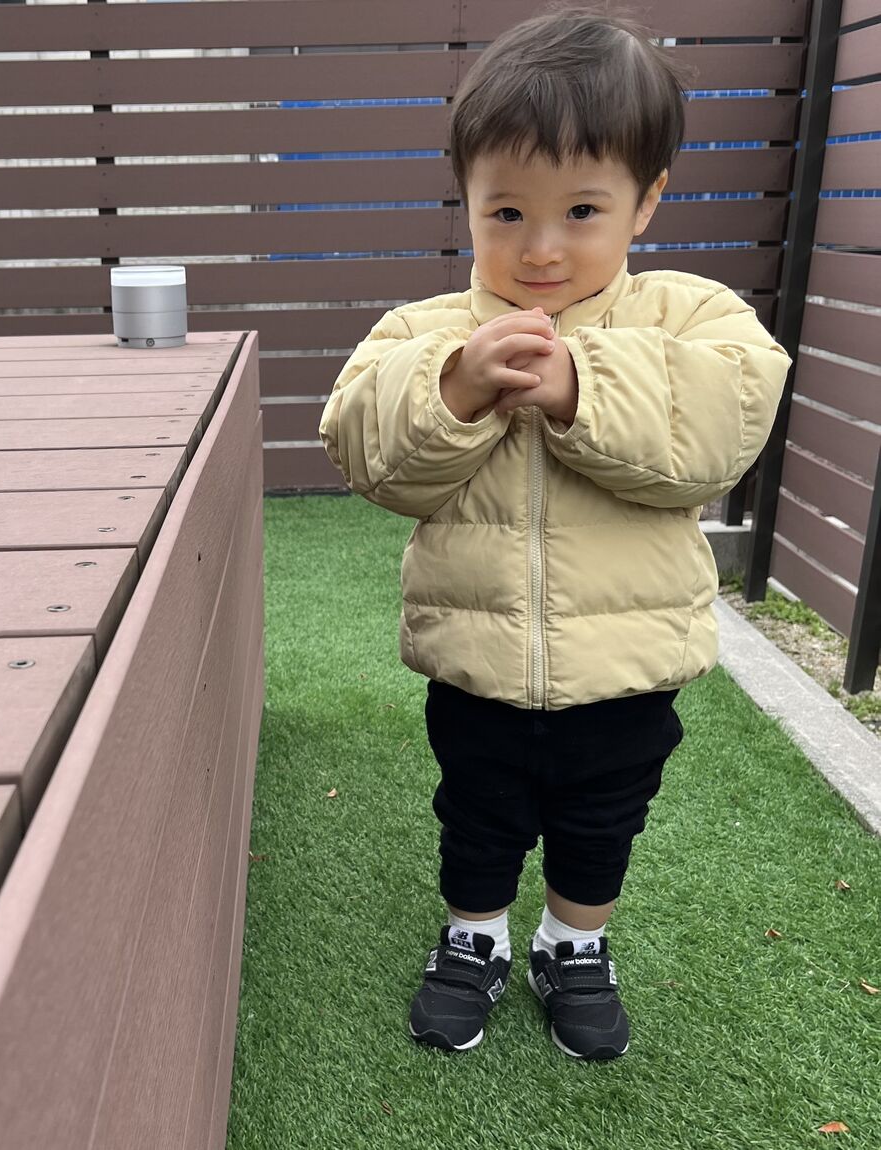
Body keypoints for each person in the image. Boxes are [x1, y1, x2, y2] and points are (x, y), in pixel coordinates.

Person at [318, 9, 791, 1061]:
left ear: (645, 201)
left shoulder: (688, 318)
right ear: (466, 201)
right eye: (506, 211)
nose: (540, 247)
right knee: (476, 809)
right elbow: (365, 447)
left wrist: (585, 383)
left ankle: (574, 944)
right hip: (476, 657)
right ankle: (473, 936)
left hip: (627, 665)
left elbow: (720, 426)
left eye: (581, 209)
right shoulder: (427, 333)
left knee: (602, 818)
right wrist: (453, 387)